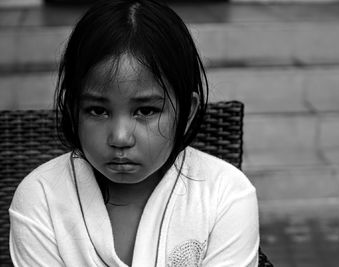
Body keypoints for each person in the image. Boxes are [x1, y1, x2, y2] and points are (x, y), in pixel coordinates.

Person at [9, 0, 260, 266]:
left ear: (187, 112)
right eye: (97, 111)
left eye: (146, 111)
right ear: (73, 109)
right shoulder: (42, 198)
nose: (120, 138)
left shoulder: (225, 195)